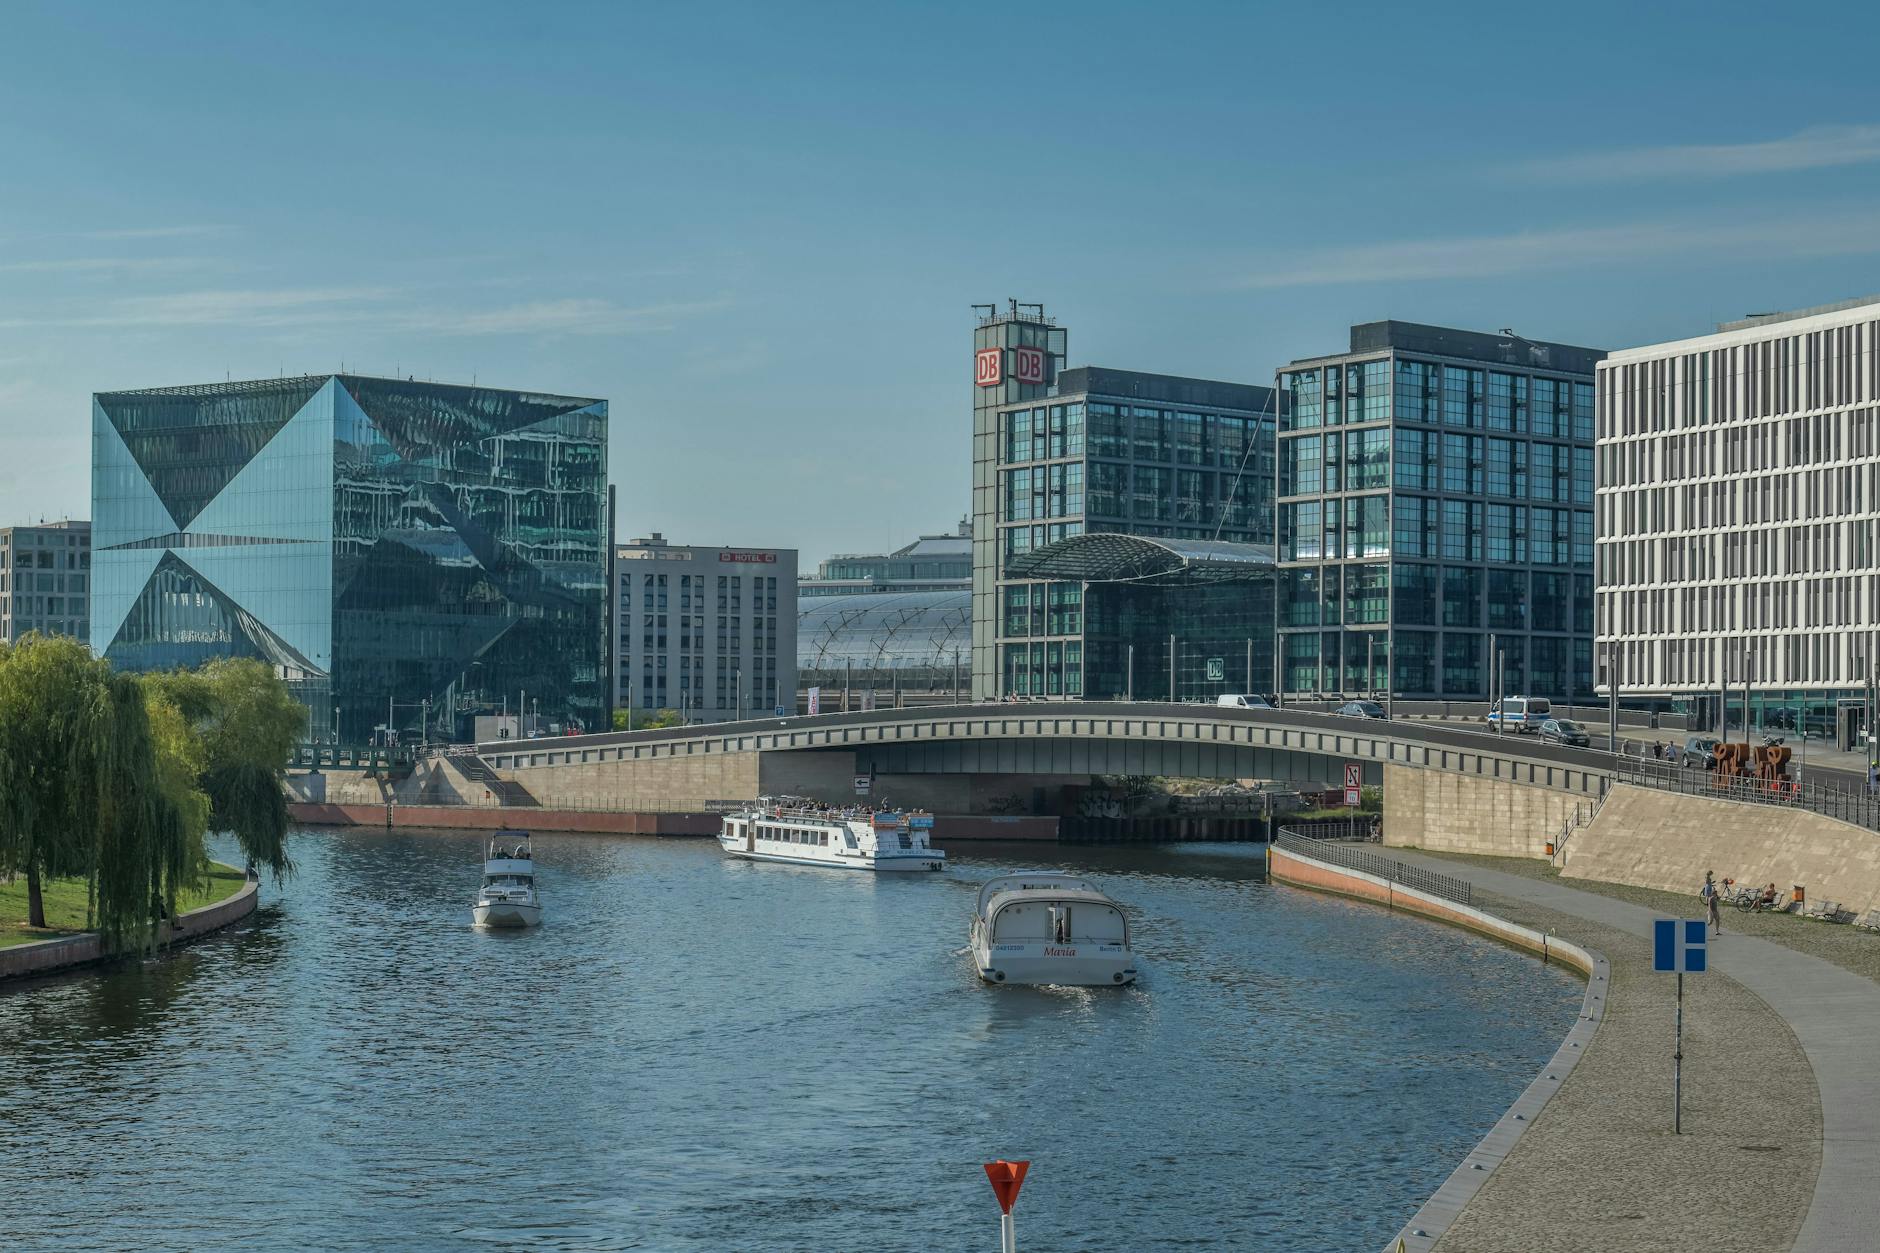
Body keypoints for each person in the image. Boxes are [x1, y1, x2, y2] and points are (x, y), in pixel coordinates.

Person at [1701, 870, 1721, 936]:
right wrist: (1711, 912)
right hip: (1711, 911)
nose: (1717, 894)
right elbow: (1709, 905)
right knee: (1710, 922)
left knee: (1717, 920)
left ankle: (1717, 931)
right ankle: (1701, 929)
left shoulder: (1714, 897)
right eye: (1716, 893)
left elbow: (1717, 900)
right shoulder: (1711, 898)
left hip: (1715, 911)